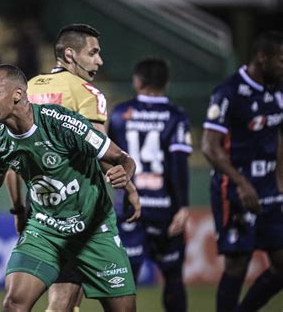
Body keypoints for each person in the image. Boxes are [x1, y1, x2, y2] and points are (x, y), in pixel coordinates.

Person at [0, 64, 141, 312]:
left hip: (93, 230)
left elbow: (123, 158)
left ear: (17, 94)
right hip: (44, 231)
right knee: (14, 304)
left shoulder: (62, 123)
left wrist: (125, 174)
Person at [4, 23, 140, 311]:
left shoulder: (26, 90)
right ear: (69, 55)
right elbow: (102, 153)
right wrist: (128, 183)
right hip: (81, 211)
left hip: (39, 208)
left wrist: (18, 209)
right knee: (66, 301)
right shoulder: (87, 93)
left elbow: (13, 161)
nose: (99, 61)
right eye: (93, 53)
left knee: (61, 299)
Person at [201, 30, 283, 312]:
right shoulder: (228, 92)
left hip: (271, 190)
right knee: (238, 264)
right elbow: (210, 147)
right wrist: (242, 183)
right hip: (234, 190)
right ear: (263, 57)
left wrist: (280, 182)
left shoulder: (277, 92)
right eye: (281, 60)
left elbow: (277, 137)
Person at [108, 58, 193, 312]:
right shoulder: (176, 116)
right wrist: (183, 207)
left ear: (137, 81)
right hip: (165, 209)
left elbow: (107, 157)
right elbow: (178, 165)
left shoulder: (120, 113)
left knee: (125, 279)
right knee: (173, 277)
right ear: (166, 83)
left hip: (128, 207)